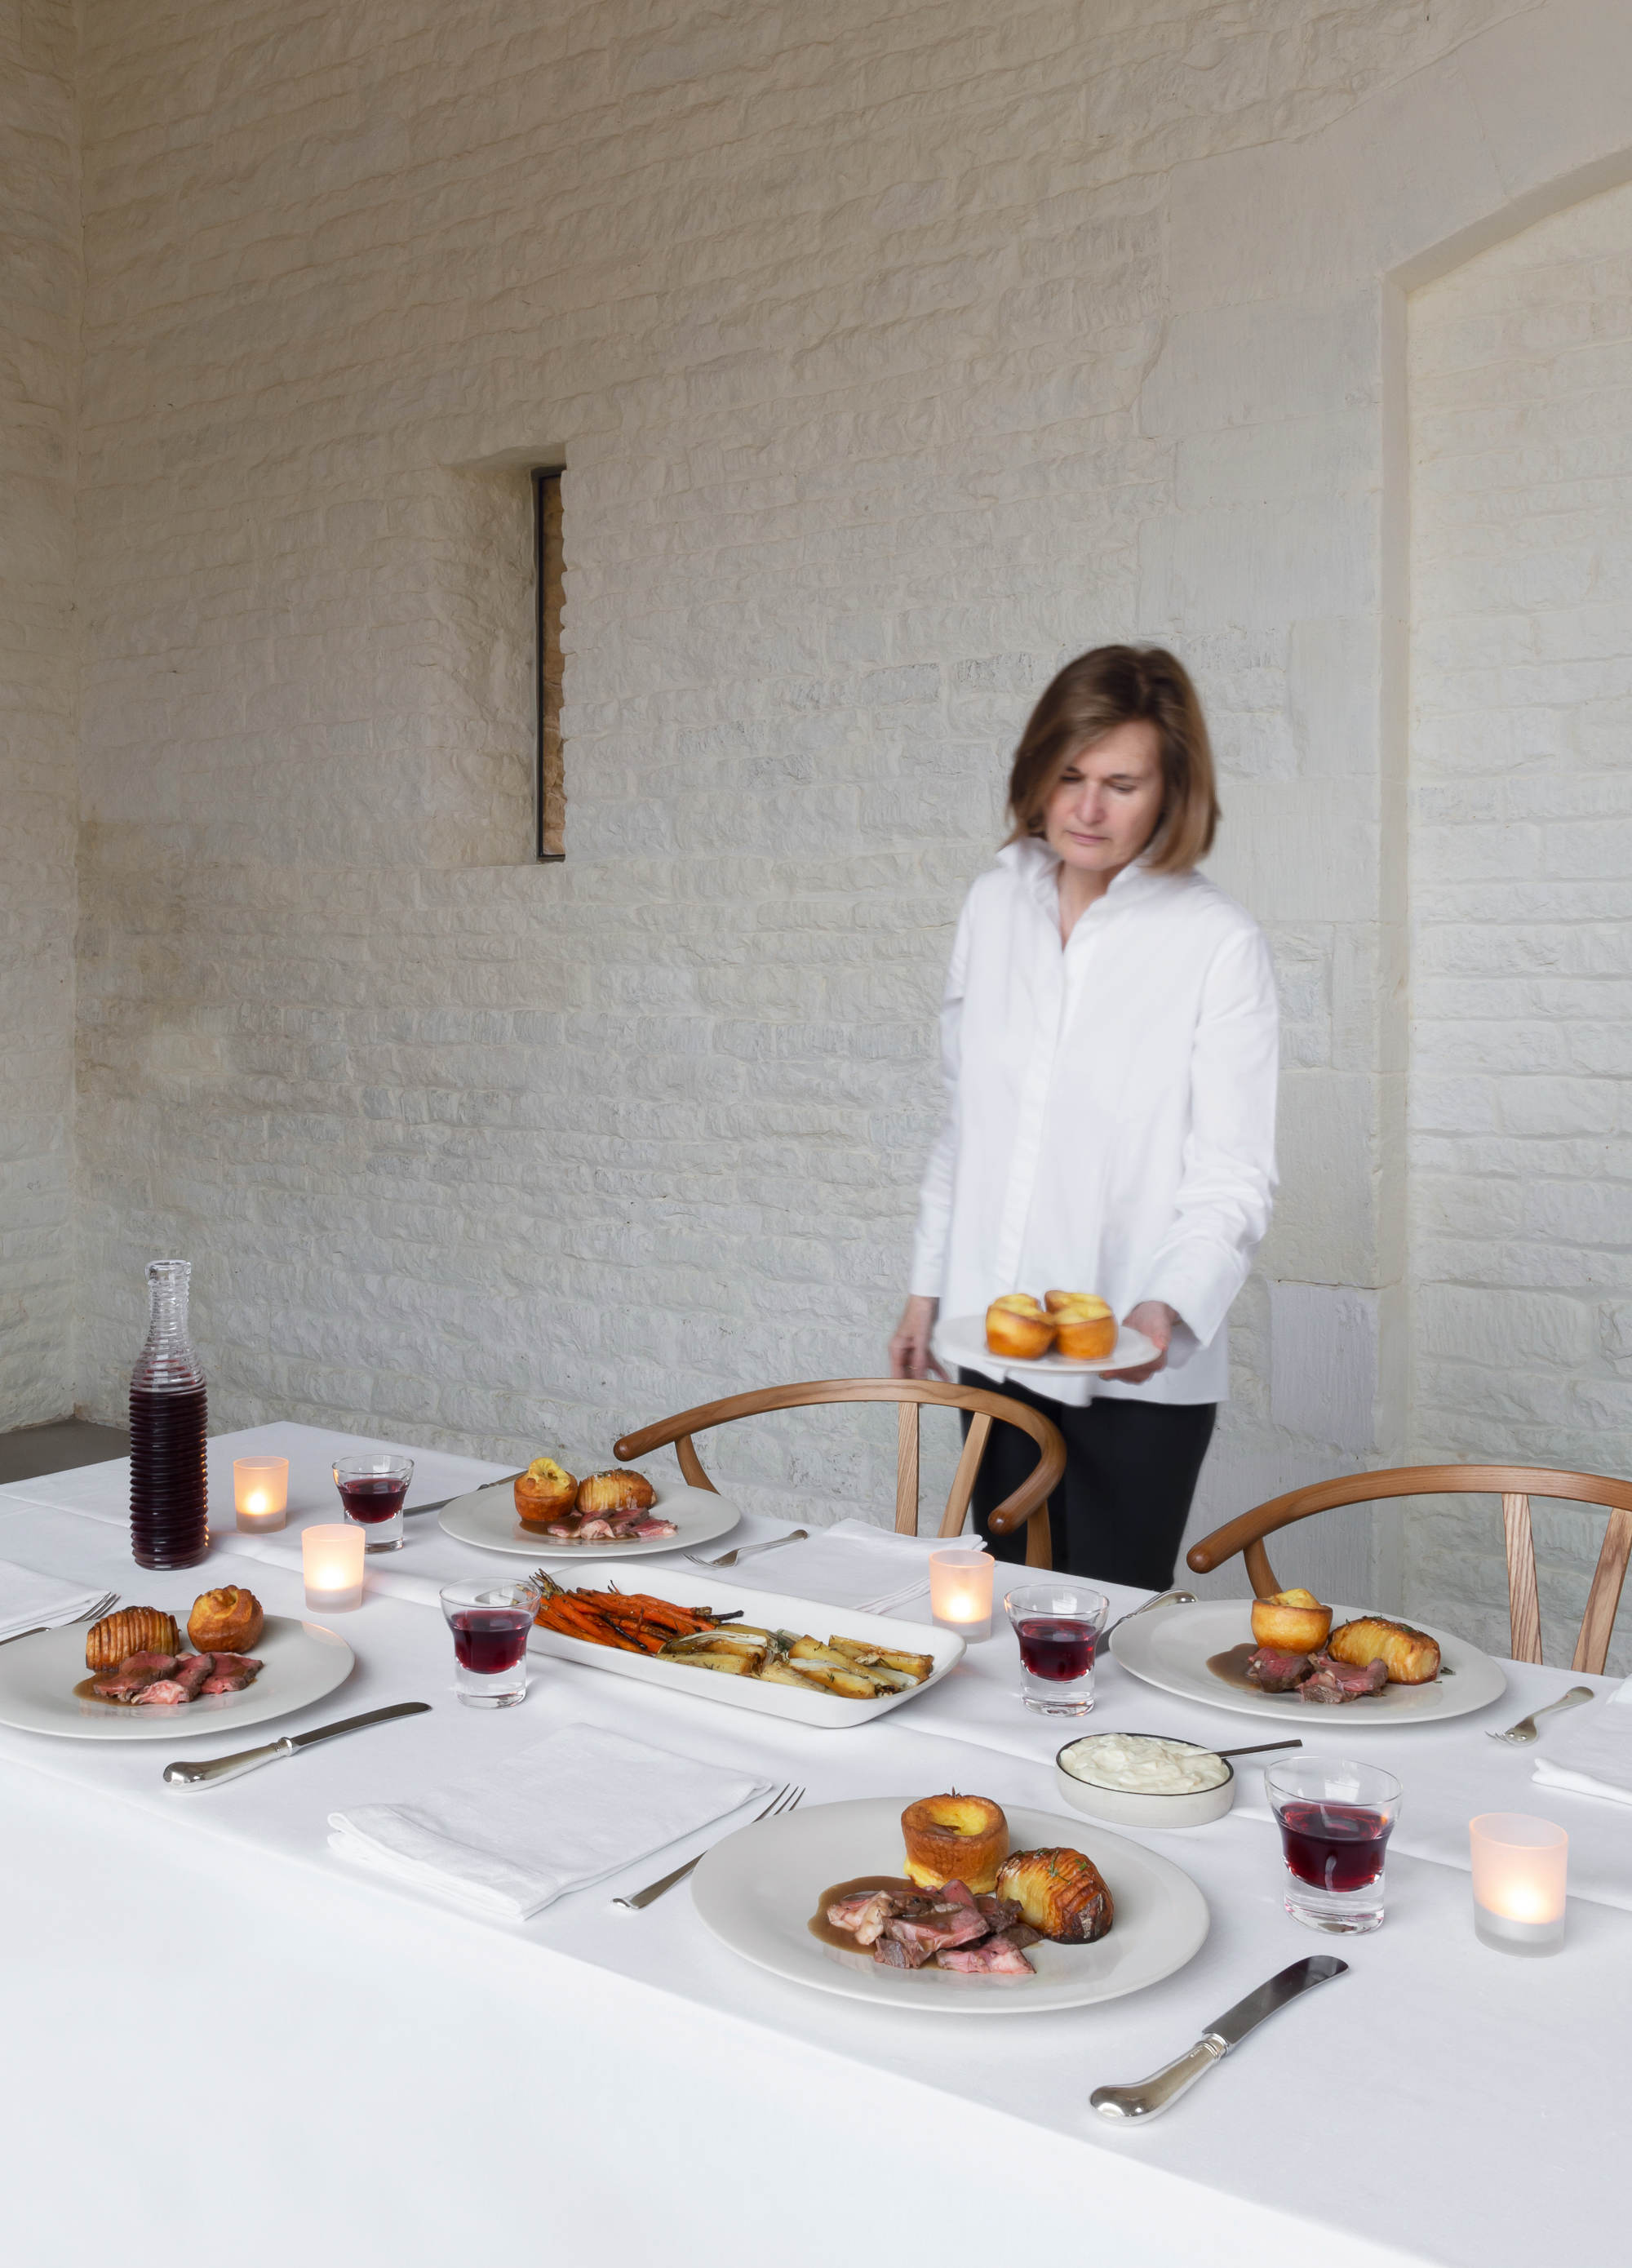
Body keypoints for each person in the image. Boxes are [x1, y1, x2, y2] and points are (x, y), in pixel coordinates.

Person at [889, 645, 1278, 1589]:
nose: (1086, 809)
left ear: (1171, 792)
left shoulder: (1216, 944)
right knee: (991, 1619)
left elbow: (1233, 1175)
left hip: (1132, 1372)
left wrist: (1165, 1310)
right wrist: (924, 1288)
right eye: (1067, 776)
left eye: (1120, 783)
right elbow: (966, 1123)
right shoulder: (992, 906)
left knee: (1096, 1636)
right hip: (989, 1342)